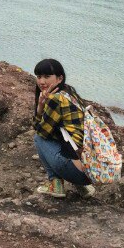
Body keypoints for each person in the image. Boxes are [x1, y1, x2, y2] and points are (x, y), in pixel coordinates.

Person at [32, 58, 95, 198]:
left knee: (38, 139)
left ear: (59, 78)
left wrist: (40, 107)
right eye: (39, 76)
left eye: (47, 76)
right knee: (63, 139)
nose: (41, 81)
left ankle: (56, 185)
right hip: (92, 172)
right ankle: (82, 188)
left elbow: (40, 131)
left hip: (76, 172)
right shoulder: (69, 92)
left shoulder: (56, 99)